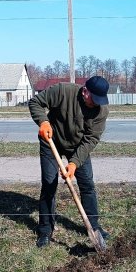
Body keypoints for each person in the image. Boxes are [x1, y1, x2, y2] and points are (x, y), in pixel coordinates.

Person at [28, 75, 110, 248]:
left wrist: (73, 163)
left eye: (99, 100)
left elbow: (91, 139)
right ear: (85, 91)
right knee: (49, 184)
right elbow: (36, 102)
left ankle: (94, 227)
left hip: (78, 146)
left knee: (87, 184)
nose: (96, 103)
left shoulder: (101, 110)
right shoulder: (63, 91)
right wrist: (43, 122)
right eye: (93, 99)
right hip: (52, 141)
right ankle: (45, 230)